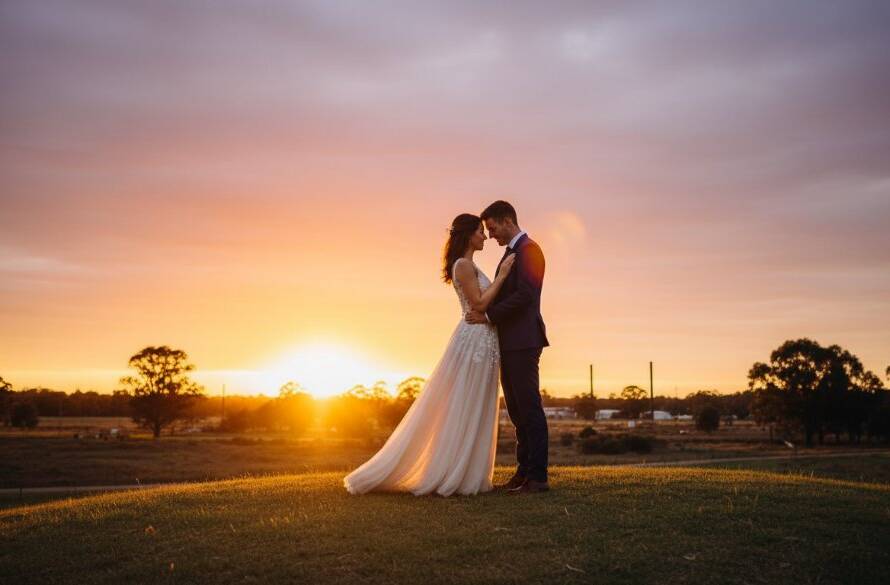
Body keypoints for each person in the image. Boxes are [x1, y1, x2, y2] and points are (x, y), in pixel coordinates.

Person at [343, 213, 515, 496]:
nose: (485, 237)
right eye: (481, 232)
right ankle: (452, 471)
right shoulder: (462, 265)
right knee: (464, 402)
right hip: (474, 340)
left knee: (477, 403)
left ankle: (471, 473)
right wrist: (504, 275)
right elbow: (479, 304)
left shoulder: (470, 265)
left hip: (485, 340)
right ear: (469, 234)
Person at [465, 200, 550, 493]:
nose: (491, 235)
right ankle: (523, 473)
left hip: (524, 341)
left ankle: (537, 477)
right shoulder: (511, 254)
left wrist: (487, 315)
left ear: (507, 220)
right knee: (516, 411)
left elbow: (525, 295)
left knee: (529, 408)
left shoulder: (530, 251)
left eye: (493, 228)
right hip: (510, 342)